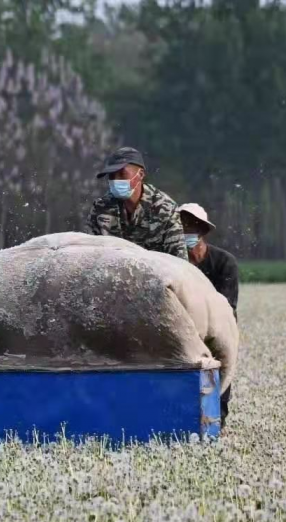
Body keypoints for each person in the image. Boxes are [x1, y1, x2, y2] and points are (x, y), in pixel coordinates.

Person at [177, 203, 239, 428]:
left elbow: (226, 306)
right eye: (180, 228)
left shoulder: (224, 263)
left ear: (202, 231)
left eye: (191, 228)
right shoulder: (175, 265)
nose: (186, 233)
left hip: (217, 333)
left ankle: (216, 424)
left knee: (218, 379)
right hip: (183, 333)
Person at [86, 147, 188, 261]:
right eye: (111, 176)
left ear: (140, 174)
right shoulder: (101, 208)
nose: (116, 180)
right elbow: (90, 256)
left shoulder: (165, 209)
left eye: (122, 174)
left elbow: (180, 262)